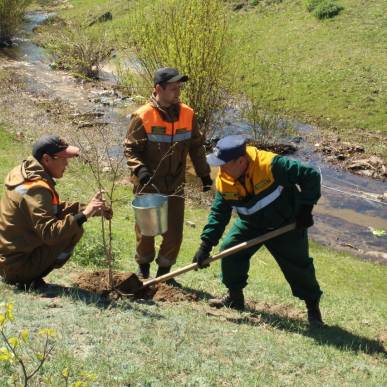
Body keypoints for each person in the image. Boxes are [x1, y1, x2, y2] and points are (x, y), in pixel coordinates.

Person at [192, 135, 324, 325]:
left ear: (241, 161)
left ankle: (313, 310)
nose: (220, 169)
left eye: (224, 164)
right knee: (230, 252)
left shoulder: (272, 165)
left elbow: (310, 176)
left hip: (286, 225)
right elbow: (219, 214)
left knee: (299, 267)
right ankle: (235, 298)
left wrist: (305, 210)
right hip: (251, 225)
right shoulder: (224, 180)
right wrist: (205, 245)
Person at [124, 67, 212, 282]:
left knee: (174, 233)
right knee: (147, 231)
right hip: (148, 183)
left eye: (179, 88)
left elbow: (197, 148)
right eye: (173, 88)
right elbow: (130, 149)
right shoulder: (142, 115)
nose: (177, 92)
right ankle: (143, 270)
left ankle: (164, 275)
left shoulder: (188, 114)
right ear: (158, 89)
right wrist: (140, 171)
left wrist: (205, 175)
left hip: (175, 184)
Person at [0, 134, 112, 289]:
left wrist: (90, 209)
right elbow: (51, 234)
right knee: (74, 230)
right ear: (46, 159)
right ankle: (31, 277)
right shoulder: (37, 189)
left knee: (72, 222)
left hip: (8, 259)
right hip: (16, 267)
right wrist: (85, 215)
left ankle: (30, 273)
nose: (67, 164)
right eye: (63, 159)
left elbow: (52, 209)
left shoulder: (23, 172)